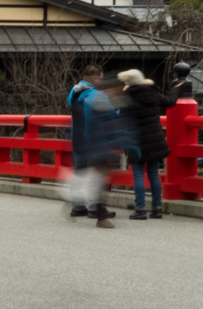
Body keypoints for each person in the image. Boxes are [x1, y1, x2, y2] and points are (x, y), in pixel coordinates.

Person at [66, 64, 120, 228]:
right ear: (95, 78)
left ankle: (77, 206)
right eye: (100, 78)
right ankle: (93, 208)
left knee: (80, 170)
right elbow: (111, 114)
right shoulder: (96, 95)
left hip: (77, 136)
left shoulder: (73, 93)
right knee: (96, 174)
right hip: (93, 138)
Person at [117, 68, 170, 219]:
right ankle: (157, 208)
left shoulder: (127, 99)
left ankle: (140, 209)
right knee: (154, 174)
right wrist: (175, 90)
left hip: (136, 141)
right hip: (154, 140)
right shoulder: (152, 95)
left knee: (138, 175)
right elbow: (170, 101)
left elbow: (122, 122)